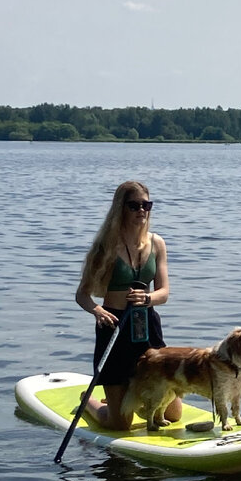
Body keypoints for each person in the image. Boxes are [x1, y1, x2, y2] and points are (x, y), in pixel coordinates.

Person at [75, 180, 183, 429]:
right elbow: (82, 294)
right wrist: (97, 310)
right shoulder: (106, 247)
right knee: (119, 424)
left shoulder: (157, 244)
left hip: (146, 328)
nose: (142, 211)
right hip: (114, 326)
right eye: (134, 206)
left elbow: (164, 293)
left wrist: (147, 298)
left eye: (147, 205)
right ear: (120, 208)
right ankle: (89, 402)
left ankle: (128, 397)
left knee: (174, 414)